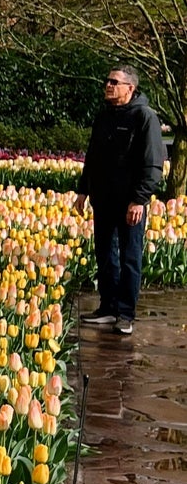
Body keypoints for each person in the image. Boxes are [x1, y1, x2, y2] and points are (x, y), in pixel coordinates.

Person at [75, 64, 167, 336]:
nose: (108, 85)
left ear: (130, 88)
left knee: (129, 257)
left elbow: (153, 163)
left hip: (130, 203)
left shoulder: (144, 117)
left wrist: (139, 199)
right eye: (107, 80)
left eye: (114, 81)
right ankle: (108, 307)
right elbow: (92, 157)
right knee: (104, 254)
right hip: (103, 199)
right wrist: (83, 190)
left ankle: (125, 314)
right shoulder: (105, 116)